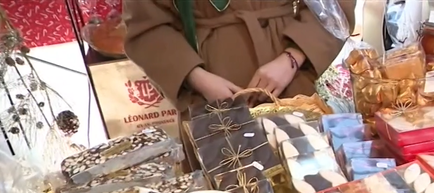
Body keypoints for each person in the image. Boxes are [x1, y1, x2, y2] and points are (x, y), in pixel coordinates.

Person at [124, 0, 357, 111]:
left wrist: (293, 57)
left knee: (314, 187)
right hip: (211, 89)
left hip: (298, 75)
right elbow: (148, 28)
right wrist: (197, 77)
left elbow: (335, 6)